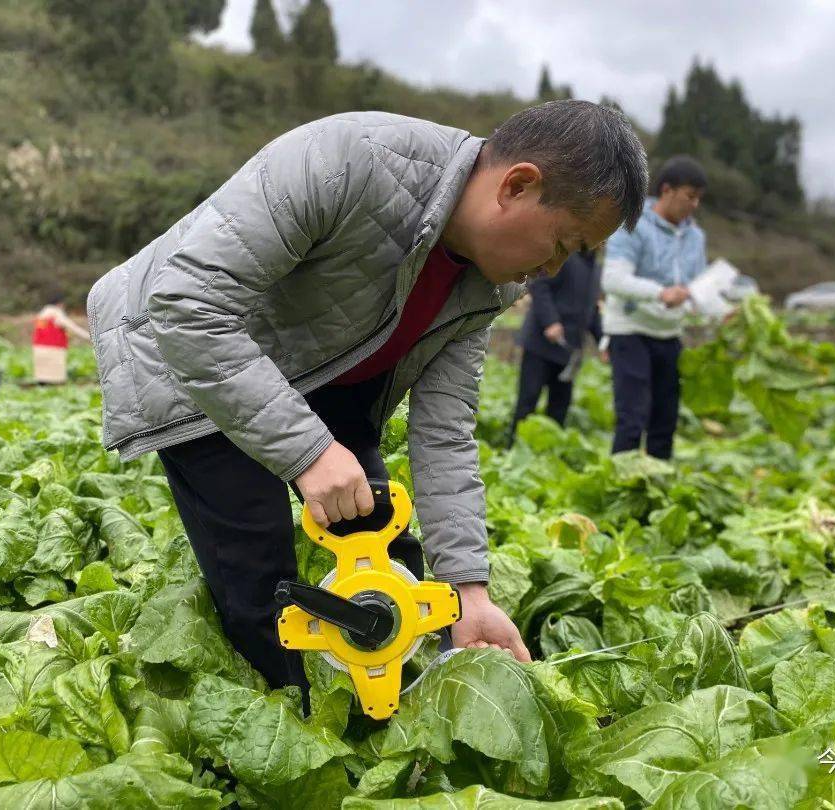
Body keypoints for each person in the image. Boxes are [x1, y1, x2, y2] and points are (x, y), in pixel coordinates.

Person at [87, 102, 648, 692]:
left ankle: (391, 704)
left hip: (327, 368)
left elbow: (443, 434)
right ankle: (285, 720)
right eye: (562, 243)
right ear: (517, 184)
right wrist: (307, 454)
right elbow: (185, 303)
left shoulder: (491, 284)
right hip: (184, 348)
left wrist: (467, 591)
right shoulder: (349, 161)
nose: (555, 269)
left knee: (384, 543)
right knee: (257, 570)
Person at [601, 155, 708, 460]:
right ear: (667, 190)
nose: (694, 205)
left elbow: (698, 285)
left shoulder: (695, 237)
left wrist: (718, 308)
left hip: (669, 334)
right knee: (632, 417)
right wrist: (661, 294)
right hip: (630, 330)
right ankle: (623, 486)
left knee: (665, 418)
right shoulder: (633, 225)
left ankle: (657, 488)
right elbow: (613, 279)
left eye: (699, 199)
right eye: (690, 196)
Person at [508, 248, 602, 442]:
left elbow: (591, 311)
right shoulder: (566, 257)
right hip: (540, 344)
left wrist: (604, 342)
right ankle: (514, 450)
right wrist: (550, 321)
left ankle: (550, 453)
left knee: (560, 409)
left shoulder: (595, 266)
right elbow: (539, 285)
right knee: (527, 403)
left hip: (569, 351)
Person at [32, 293, 90, 384]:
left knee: (42, 375)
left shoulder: (42, 313)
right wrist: (88, 336)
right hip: (54, 349)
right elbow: (72, 327)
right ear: (59, 304)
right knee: (55, 377)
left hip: (39, 348)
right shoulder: (56, 313)